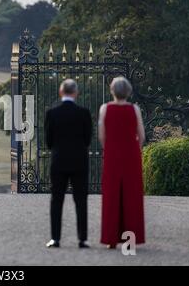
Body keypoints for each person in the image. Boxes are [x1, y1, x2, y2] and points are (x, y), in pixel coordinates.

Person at [44, 79, 92, 248]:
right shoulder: (84, 113)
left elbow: (48, 141)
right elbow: (88, 139)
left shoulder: (52, 113)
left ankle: (55, 238)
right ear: (76, 93)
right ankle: (82, 238)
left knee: (56, 200)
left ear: (60, 92)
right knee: (81, 200)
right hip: (79, 161)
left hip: (58, 161)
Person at [98, 77, 145, 248]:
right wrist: (135, 149)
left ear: (112, 90)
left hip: (112, 154)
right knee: (131, 196)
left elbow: (102, 135)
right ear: (128, 91)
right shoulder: (135, 109)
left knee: (111, 196)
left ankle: (111, 238)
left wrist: (109, 148)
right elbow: (142, 135)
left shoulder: (105, 108)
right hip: (131, 155)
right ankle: (130, 239)